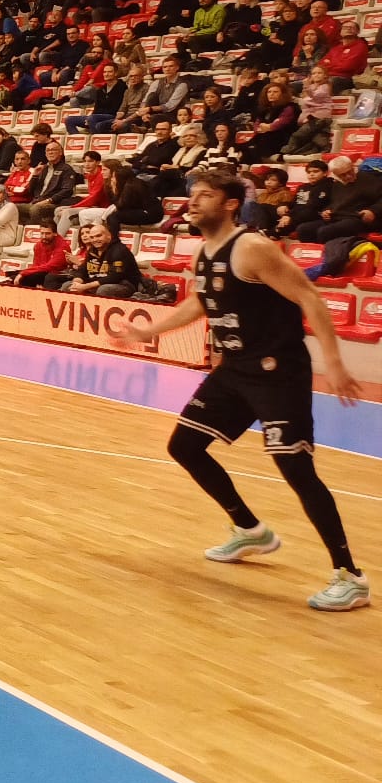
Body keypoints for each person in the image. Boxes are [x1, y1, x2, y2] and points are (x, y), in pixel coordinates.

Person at [114, 171, 367, 611]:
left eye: (205, 196)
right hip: (235, 369)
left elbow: (310, 298)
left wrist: (336, 365)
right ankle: (251, 530)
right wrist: (149, 331)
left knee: (296, 470)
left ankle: (350, 576)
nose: (193, 203)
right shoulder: (204, 252)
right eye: (192, 196)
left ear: (231, 204)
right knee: (186, 446)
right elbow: (200, 302)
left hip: (277, 372)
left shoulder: (251, 248)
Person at [62, 220, 141, 298]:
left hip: (123, 285)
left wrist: (85, 286)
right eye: (92, 237)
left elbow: (115, 277)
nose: (95, 240)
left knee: (104, 290)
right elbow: (82, 270)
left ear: (109, 236)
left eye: (98, 236)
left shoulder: (119, 250)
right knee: (67, 286)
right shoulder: (92, 250)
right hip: (96, 283)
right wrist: (76, 283)